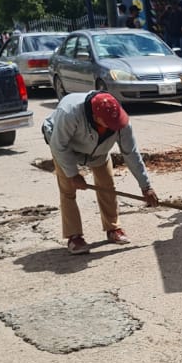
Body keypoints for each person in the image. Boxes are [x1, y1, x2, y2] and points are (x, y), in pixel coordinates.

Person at [42, 91, 159, 254]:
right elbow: (58, 145)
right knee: (68, 189)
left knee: (107, 185)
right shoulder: (70, 113)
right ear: (96, 117)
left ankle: (113, 229)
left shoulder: (120, 120)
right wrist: (73, 174)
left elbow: (130, 153)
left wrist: (146, 186)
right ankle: (74, 237)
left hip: (98, 151)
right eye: (110, 123)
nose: (115, 125)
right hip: (65, 147)